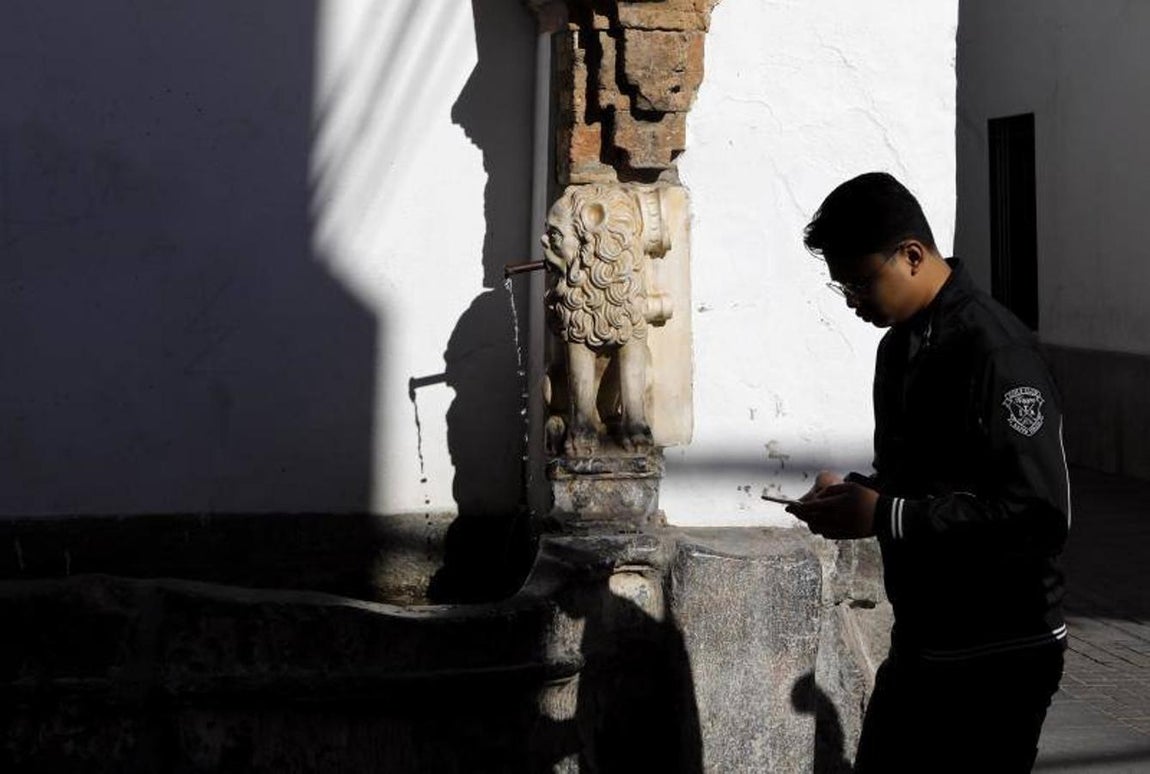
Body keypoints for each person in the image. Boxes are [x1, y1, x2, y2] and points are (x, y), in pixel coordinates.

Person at [789, 172, 1071, 772]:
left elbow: (1039, 514)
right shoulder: (900, 347)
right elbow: (921, 483)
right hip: (926, 642)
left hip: (1001, 650)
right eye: (844, 288)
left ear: (912, 256)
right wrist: (856, 495)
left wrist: (885, 514)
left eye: (862, 283)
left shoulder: (997, 350)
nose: (854, 302)